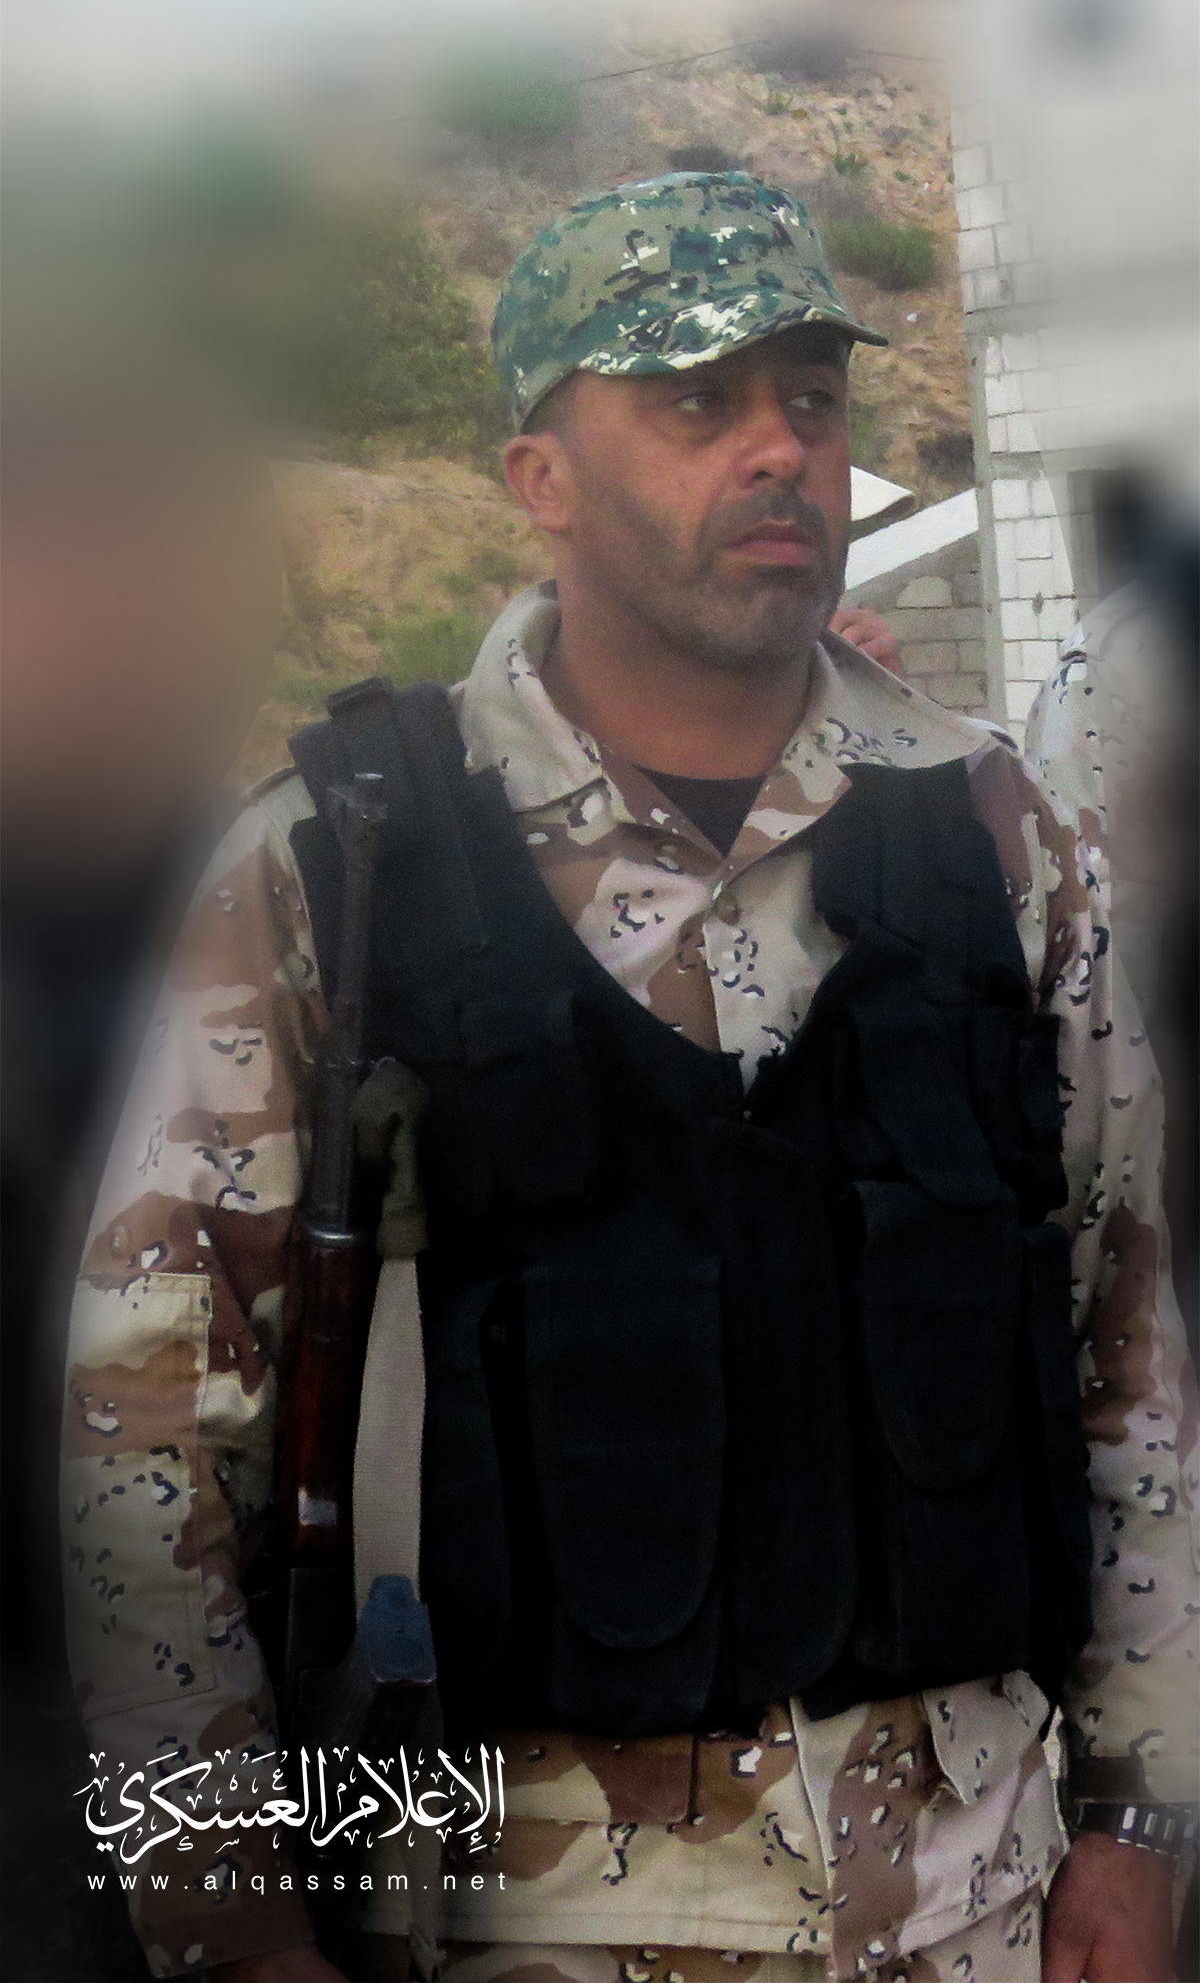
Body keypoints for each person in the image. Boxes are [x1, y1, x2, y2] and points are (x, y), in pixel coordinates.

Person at [62, 173, 1195, 1983]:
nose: (780, 450)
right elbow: (141, 1443)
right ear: (542, 476)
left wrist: (1143, 1822)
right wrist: (225, 1925)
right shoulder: (338, 870)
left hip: (971, 1901)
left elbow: (1125, 1356)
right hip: (514, 1920)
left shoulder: (999, 834)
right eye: (696, 400)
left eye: (811, 399)